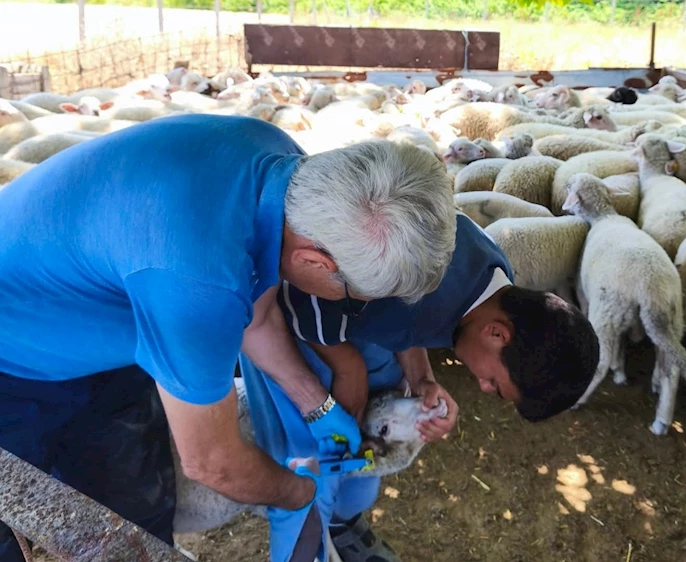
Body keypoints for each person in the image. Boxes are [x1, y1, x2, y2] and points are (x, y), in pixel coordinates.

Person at [0, 114, 457, 562]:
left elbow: (258, 318)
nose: (349, 304)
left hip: (109, 331)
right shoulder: (200, 283)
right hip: (12, 363)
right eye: (354, 299)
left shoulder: (283, 167)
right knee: (9, 525)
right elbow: (210, 461)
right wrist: (298, 495)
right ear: (314, 262)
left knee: (134, 519)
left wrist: (318, 407)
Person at [240, 212, 600, 562]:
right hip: (295, 337)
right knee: (311, 457)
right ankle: (307, 540)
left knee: (358, 460)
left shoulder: (492, 281)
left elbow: (410, 313)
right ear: (496, 334)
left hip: (361, 330)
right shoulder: (412, 272)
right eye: (494, 381)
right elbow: (299, 291)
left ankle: (340, 524)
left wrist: (422, 377)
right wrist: (348, 369)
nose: (483, 386)